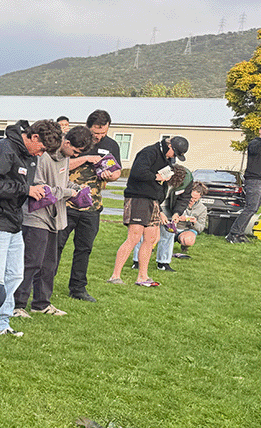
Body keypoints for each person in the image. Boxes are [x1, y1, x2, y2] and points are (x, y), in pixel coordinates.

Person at [0, 119, 62, 341]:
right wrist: (26, 189)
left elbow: (19, 188)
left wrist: (33, 193)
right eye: (41, 149)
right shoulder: (3, 150)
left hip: (13, 222)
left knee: (14, 274)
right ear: (34, 137)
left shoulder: (29, 155)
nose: (41, 155)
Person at [13, 125, 89, 317]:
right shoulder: (42, 155)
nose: (75, 155)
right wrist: (67, 192)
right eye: (75, 151)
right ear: (67, 142)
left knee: (49, 265)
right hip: (35, 216)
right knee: (31, 262)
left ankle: (41, 303)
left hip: (56, 218)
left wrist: (76, 189)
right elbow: (38, 187)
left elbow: (61, 183)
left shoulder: (66, 157)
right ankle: (17, 305)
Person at [57, 109, 122, 302]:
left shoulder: (111, 145)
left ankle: (78, 288)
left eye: (102, 133)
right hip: (67, 203)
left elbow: (117, 171)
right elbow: (61, 166)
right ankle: (44, 283)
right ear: (88, 126)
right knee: (56, 246)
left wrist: (111, 176)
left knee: (84, 249)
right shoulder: (75, 139)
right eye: (95, 132)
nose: (98, 136)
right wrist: (85, 158)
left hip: (92, 206)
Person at [109, 136, 188, 287]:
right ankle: (115, 275)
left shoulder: (167, 159)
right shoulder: (149, 152)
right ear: (169, 146)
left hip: (154, 201)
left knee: (151, 239)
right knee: (134, 237)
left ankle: (142, 276)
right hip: (138, 198)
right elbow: (137, 172)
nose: (174, 158)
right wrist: (155, 176)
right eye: (175, 154)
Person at [227, 121, 261, 243]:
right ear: (260, 131)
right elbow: (256, 149)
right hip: (254, 180)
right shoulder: (255, 143)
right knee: (250, 207)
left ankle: (240, 233)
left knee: (254, 209)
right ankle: (234, 233)